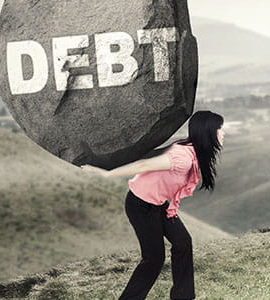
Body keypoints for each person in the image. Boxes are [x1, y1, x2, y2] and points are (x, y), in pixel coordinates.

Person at [80, 110, 224, 300]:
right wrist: (106, 173)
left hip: (160, 205)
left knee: (183, 243)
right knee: (154, 260)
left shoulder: (192, 151)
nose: (223, 133)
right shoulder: (183, 158)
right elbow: (143, 165)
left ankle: (183, 296)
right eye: (219, 129)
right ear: (208, 132)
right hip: (141, 206)